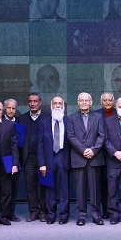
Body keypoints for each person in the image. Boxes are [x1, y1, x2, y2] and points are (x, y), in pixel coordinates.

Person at [66, 93, 106, 225]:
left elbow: (102, 136)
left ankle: (96, 215)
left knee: (95, 189)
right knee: (80, 190)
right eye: (81, 100)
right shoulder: (71, 118)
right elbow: (71, 137)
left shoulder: (98, 117)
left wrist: (93, 150)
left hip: (94, 158)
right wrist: (83, 150)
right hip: (79, 158)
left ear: (91, 102)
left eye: (86, 100)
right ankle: (81, 216)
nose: (84, 102)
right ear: (78, 102)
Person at [39, 96, 71, 224]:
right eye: (55, 103)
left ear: (63, 106)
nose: (57, 105)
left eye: (60, 103)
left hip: (63, 156)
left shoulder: (69, 121)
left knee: (64, 188)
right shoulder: (44, 123)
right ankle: (51, 214)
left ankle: (64, 215)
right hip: (49, 157)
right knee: (50, 187)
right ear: (51, 106)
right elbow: (40, 145)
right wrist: (42, 163)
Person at [0, 100, 19, 225]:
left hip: (6, 161)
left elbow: (14, 145)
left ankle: (3, 216)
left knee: (6, 190)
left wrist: (15, 164)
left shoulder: (9, 124)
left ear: (3, 110)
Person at [19, 93, 47, 221]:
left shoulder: (47, 116)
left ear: (40, 102)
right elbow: (19, 139)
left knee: (44, 185)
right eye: (30, 101)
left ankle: (44, 211)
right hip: (28, 157)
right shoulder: (22, 118)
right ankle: (33, 211)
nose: (32, 104)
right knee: (30, 185)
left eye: (35, 101)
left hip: (44, 157)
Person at [2, 98, 23, 222]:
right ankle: (2, 213)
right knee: (4, 188)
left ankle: (11, 213)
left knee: (14, 187)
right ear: (5, 108)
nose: (11, 110)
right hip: (3, 158)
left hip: (16, 158)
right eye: (9, 108)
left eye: (13, 108)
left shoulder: (19, 121)